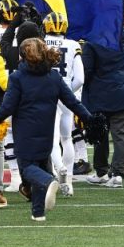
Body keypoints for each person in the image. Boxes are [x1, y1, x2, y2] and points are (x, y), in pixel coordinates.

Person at [0, 38, 91, 222]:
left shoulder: (17, 77)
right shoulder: (53, 77)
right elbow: (72, 102)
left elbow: (8, 108)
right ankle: (38, 213)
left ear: (23, 56)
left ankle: (49, 180)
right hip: (46, 131)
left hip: (25, 133)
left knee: (28, 170)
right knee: (39, 167)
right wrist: (90, 119)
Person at [82, 1, 124, 188]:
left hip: (100, 94)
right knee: (120, 134)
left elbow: (87, 71)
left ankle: (102, 171)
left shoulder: (92, 41)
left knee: (100, 133)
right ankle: (117, 173)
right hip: (123, 93)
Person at [42, 12, 84, 196]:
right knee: (67, 138)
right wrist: (69, 93)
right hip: (66, 93)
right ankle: (69, 180)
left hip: (45, 94)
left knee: (51, 139)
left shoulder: (40, 43)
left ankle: (59, 169)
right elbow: (81, 79)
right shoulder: (73, 45)